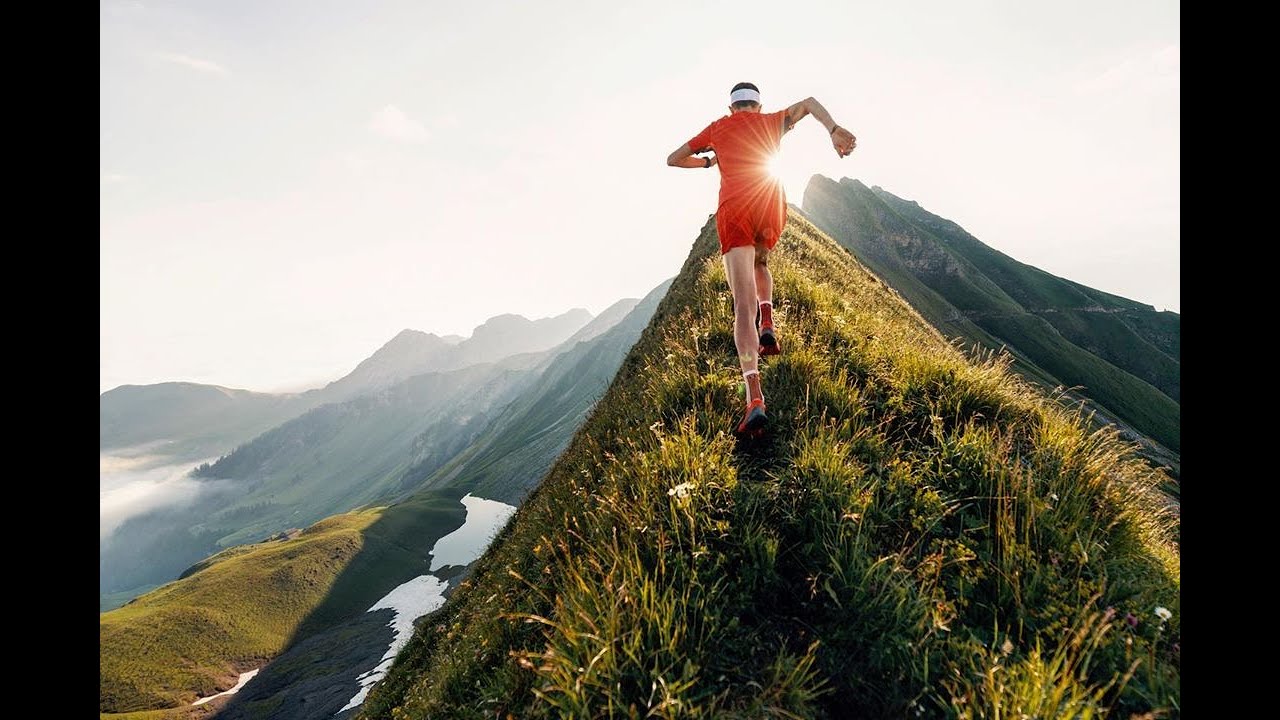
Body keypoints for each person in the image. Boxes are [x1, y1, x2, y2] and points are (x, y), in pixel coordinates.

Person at [666, 82, 856, 434]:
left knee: (741, 306)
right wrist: (833, 131)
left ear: (732, 107)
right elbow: (810, 102)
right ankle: (768, 322)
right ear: (756, 105)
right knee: (762, 262)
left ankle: (754, 396)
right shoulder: (771, 121)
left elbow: (673, 158)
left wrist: (709, 161)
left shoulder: (717, 128)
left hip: (734, 206)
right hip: (769, 199)